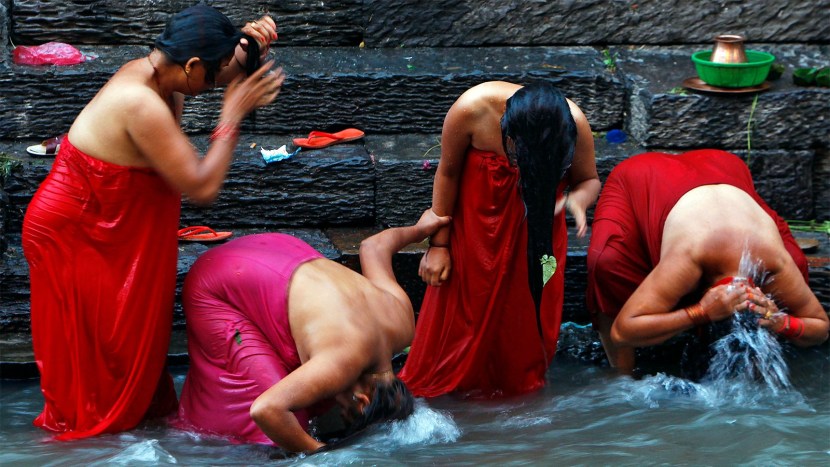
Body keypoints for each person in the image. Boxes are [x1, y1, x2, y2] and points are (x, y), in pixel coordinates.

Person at [21, 4, 284, 440]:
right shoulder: (140, 101)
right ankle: (84, 449)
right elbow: (202, 187)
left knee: (123, 348)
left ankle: (120, 436)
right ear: (193, 66)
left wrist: (248, 45)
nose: (221, 81)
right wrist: (231, 117)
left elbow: (219, 72)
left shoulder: (165, 70)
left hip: (108, 223)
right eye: (215, 71)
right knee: (95, 366)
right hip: (74, 231)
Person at [174, 209, 450, 453]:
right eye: (347, 411)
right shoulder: (341, 361)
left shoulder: (402, 324)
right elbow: (266, 410)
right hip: (218, 283)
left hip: (279, 248)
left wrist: (420, 230)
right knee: (276, 434)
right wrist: (324, 455)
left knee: (305, 404)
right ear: (363, 400)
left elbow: (374, 247)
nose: (342, 410)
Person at [399, 81, 601, 398]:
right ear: (506, 129)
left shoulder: (573, 123)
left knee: (526, 323)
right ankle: (449, 394)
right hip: (474, 233)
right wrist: (438, 246)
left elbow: (588, 180)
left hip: (538, 238)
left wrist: (578, 200)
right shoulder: (472, 108)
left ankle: (515, 399)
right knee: (458, 320)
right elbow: (448, 173)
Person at [586, 149, 829, 373]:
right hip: (645, 175)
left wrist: (779, 322)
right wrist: (700, 312)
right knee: (608, 263)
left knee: (796, 261)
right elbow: (622, 331)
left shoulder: (776, 264)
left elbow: (820, 327)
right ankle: (621, 375)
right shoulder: (690, 258)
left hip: (726, 169)